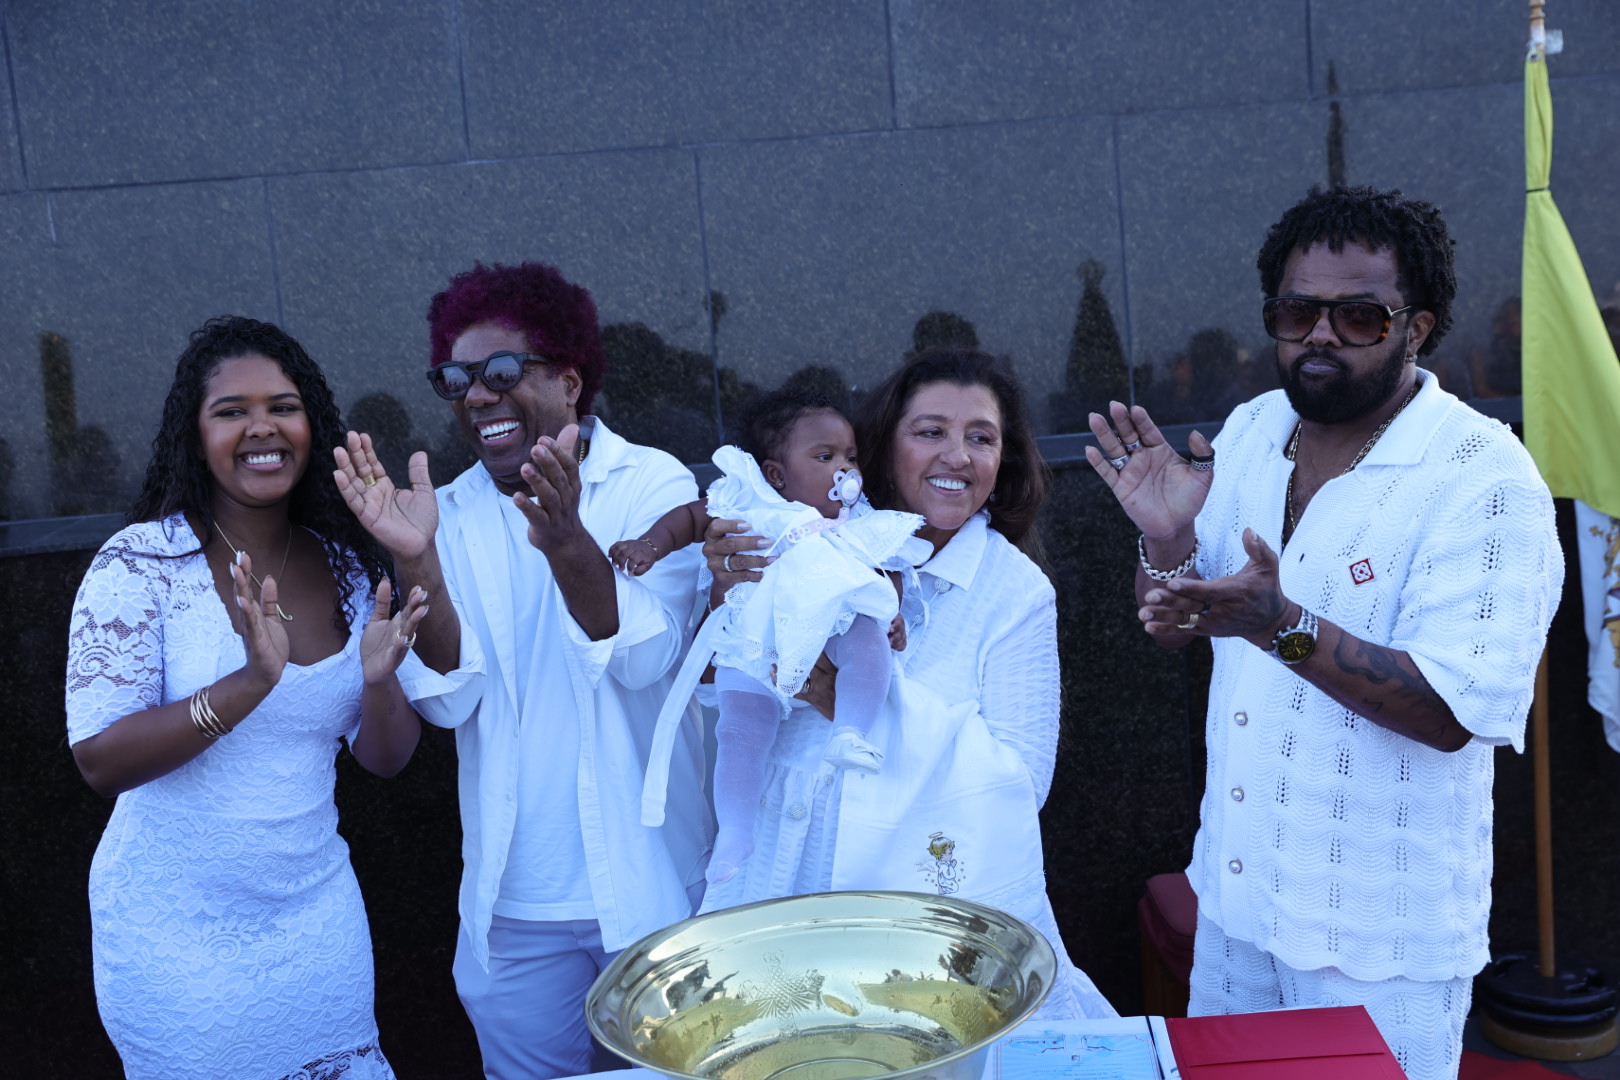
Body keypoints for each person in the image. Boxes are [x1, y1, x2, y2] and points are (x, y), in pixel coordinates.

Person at [1086, 186, 1562, 1080]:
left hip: (1380, 945)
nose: (1321, 335)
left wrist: (1283, 626)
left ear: (1417, 327)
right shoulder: (1254, 430)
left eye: (1359, 315)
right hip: (1236, 907)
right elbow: (1173, 629)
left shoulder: (1485, 478)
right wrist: (1166, 542)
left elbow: (1456, 711)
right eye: (1298, 311)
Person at [334, 261, 711, 1080]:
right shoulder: (452, 512)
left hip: (649, 897)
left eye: (502, 372)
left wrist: (568, 538)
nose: (476, 396)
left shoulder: (651, 483)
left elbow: (648, 658)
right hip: (513, 913)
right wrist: (418, 556)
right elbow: (449, 695)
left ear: (569, 381)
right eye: (456, 379)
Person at [698, 347, 1117, 1021]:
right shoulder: (801, 542)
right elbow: (727, 701)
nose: (958, 455)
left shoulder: (1014, 592)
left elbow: (1019, 783)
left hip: (921, 920)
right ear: (883, 448)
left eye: (980, 437)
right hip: (781, 877)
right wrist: (733, 598)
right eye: (930, 432)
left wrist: (856, 702)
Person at [64, 315, 429, 1080]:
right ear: (195, 436)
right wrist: (249, 684)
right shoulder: (142, 564)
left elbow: (387, 760)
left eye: (282, 406)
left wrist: (379, 678)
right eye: (231, 411)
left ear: (312, 425)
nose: (262, 427)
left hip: (316, 920)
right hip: (179, 940)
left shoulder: (348, 566)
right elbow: (100, 760)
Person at [619, 388, 924, 884]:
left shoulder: (853, 521)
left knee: (869, 644)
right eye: (825, 457)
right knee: (739, 731)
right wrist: (649, 545)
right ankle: (735, 833)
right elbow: (691, 518)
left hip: (832, 626)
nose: (844, 470)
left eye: (850, 457)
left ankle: (851, 731)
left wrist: (892, 612)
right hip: (758, 641)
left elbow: (881, 568)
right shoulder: (749, 502)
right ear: (777, 475)